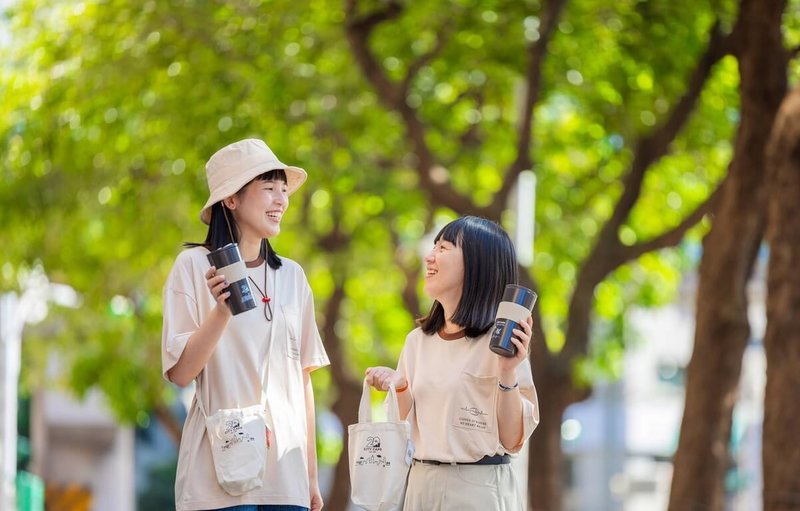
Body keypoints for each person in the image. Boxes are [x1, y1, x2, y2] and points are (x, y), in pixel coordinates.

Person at [161, 139, 330, 511]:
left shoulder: (293, 277)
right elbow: (182, 373)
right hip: (219, 473)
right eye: (268, 188)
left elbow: (303, 380)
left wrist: (311, 476)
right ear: (231, 200)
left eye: (284, 190)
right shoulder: (192, 267)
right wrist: (221, 311)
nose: (281, 200)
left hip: (286, 476)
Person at [365, 215, 540, 511]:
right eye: (434, 246)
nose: (429, 257)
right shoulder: (417, 341)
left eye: (444, 248)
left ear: (476, 264)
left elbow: (512, 439)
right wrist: (400, 386)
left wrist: (508, 371)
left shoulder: (501, 345)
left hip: (478, 491)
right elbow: (402, 426)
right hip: (420, 485)